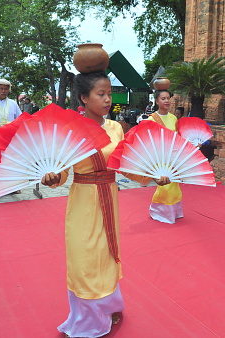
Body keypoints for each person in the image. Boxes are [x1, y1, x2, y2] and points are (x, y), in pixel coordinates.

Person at [40, 70, 169, 337]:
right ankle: (87, 320)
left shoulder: (115, 128)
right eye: (101, 94)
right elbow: (62, 171)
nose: (108, 99)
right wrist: (53, 177)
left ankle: (109, 306)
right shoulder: (70, 128)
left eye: (109, 94)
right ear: (84, 98)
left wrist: (153, 175)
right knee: (84, 257)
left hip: (109, 197)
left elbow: (127, 164)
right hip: (83, 201)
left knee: (106, 254)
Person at [147, 90, 184, 224]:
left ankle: (175, 211)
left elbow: (176, 137)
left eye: (168, 98)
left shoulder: (173, 118)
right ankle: (159, 211)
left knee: (174, 184)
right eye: (163, 98)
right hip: (160, 157)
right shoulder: (151, 119)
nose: (167, 101)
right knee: (165, 185)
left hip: (172, 156)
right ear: (157, 101)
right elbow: (149, 141)